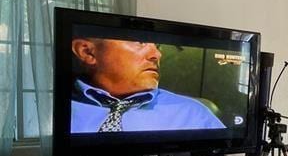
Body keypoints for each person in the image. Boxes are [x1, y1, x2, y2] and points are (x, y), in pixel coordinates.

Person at [70, 38, 225, 133]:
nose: (156, 55)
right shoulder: (52, 111)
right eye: (140, 42)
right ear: (87, 52)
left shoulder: (193, 114)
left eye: (157, 46)